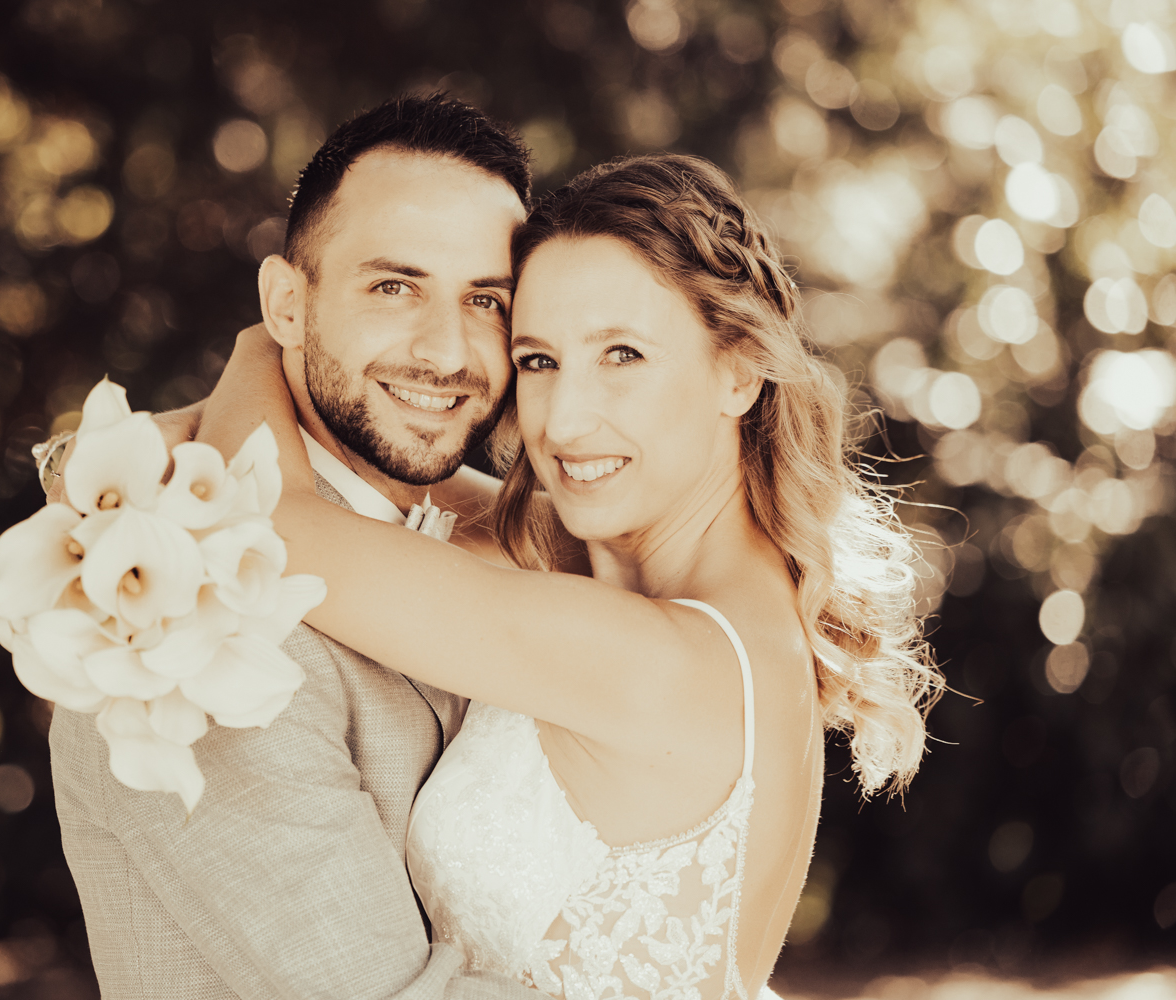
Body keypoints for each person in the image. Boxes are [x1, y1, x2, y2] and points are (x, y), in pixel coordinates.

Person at [191, 153, 942, 998]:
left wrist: (278, 334)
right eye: (540, 361)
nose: (566, 422)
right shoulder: (621, 572)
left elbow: (267, 515)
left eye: (622, 354)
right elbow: (382, 485)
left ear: (738, 368)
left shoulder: (664, 659)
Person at [46, 94, 547, 999]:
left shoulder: (504, 542)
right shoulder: (184, 619)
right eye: (393, 286)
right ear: (287, 302)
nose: (447, 351)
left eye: (486, 300)